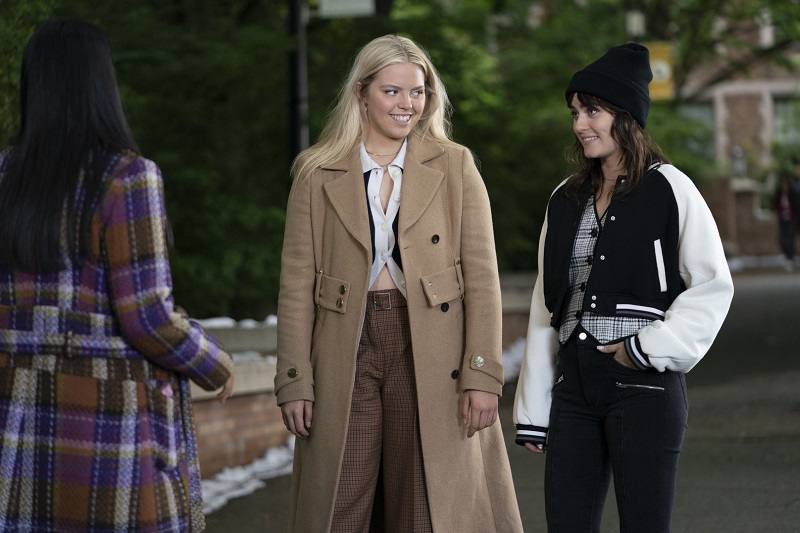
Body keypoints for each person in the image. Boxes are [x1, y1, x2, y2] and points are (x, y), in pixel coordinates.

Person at [275, 34, 523, 532]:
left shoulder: (455, 166)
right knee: (340, 504)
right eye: (392, 91)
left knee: (426, 508)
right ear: (362, 92)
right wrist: (294, 379)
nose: (407, 105)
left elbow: (482, 278)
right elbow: (296, 285)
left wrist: (482, 373)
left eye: (418, 91)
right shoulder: (316, 172)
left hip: (432, 348)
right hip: (347, 346)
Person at [0, 18, 234, 532]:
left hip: (15, 413)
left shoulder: (4, 175)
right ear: (102, 84)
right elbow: (146, 316)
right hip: (105, 422)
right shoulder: (127, 177)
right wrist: (215, 362)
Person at [513, 43, 734, 532]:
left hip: (644, 388)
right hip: (574, 388)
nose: (579, 124)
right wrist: (533, 405)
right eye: (575, 112)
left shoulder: (671, 188)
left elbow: (714, 286)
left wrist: (646, 348)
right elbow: (545, 304)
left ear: (627, 116)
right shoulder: (564, 199)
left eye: (593, 111)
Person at [773, 175, 799, 271]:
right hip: (783, 220)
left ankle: (791, 258)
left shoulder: (793, 195)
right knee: (781, 238)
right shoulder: (780, 196)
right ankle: (787, 255)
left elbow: (796, 207)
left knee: (790, 239)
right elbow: (776, 206)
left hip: (791, 220)